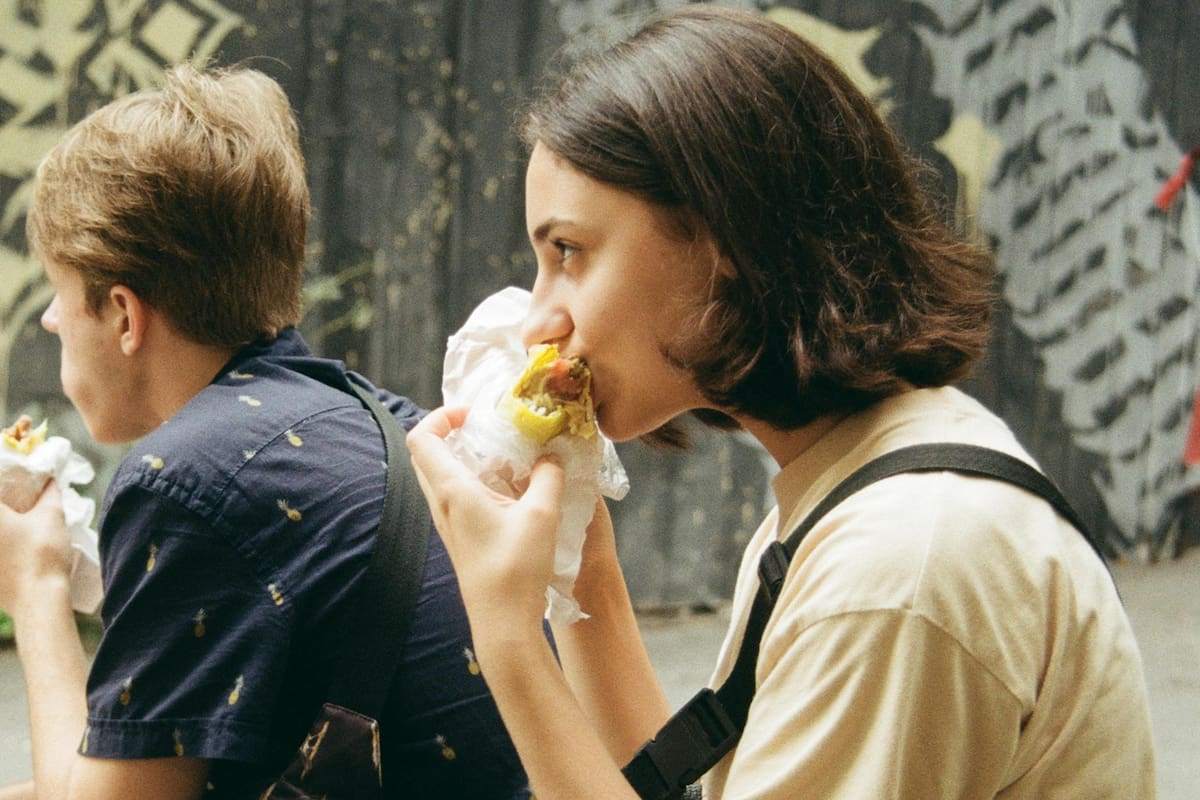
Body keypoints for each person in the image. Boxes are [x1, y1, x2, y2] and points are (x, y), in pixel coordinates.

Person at [405, 6, 1157, 799]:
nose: (539, 321)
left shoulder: (896, 566)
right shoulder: (864, 488)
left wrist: (510, 641)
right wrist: (581, 580)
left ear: (721, 242)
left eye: (569, 252)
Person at [0, 63, 532, 799]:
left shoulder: (187, 479)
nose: (52, 320)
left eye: (62, 295)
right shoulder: (370, 414)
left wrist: (36, 585)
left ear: (124, 315)